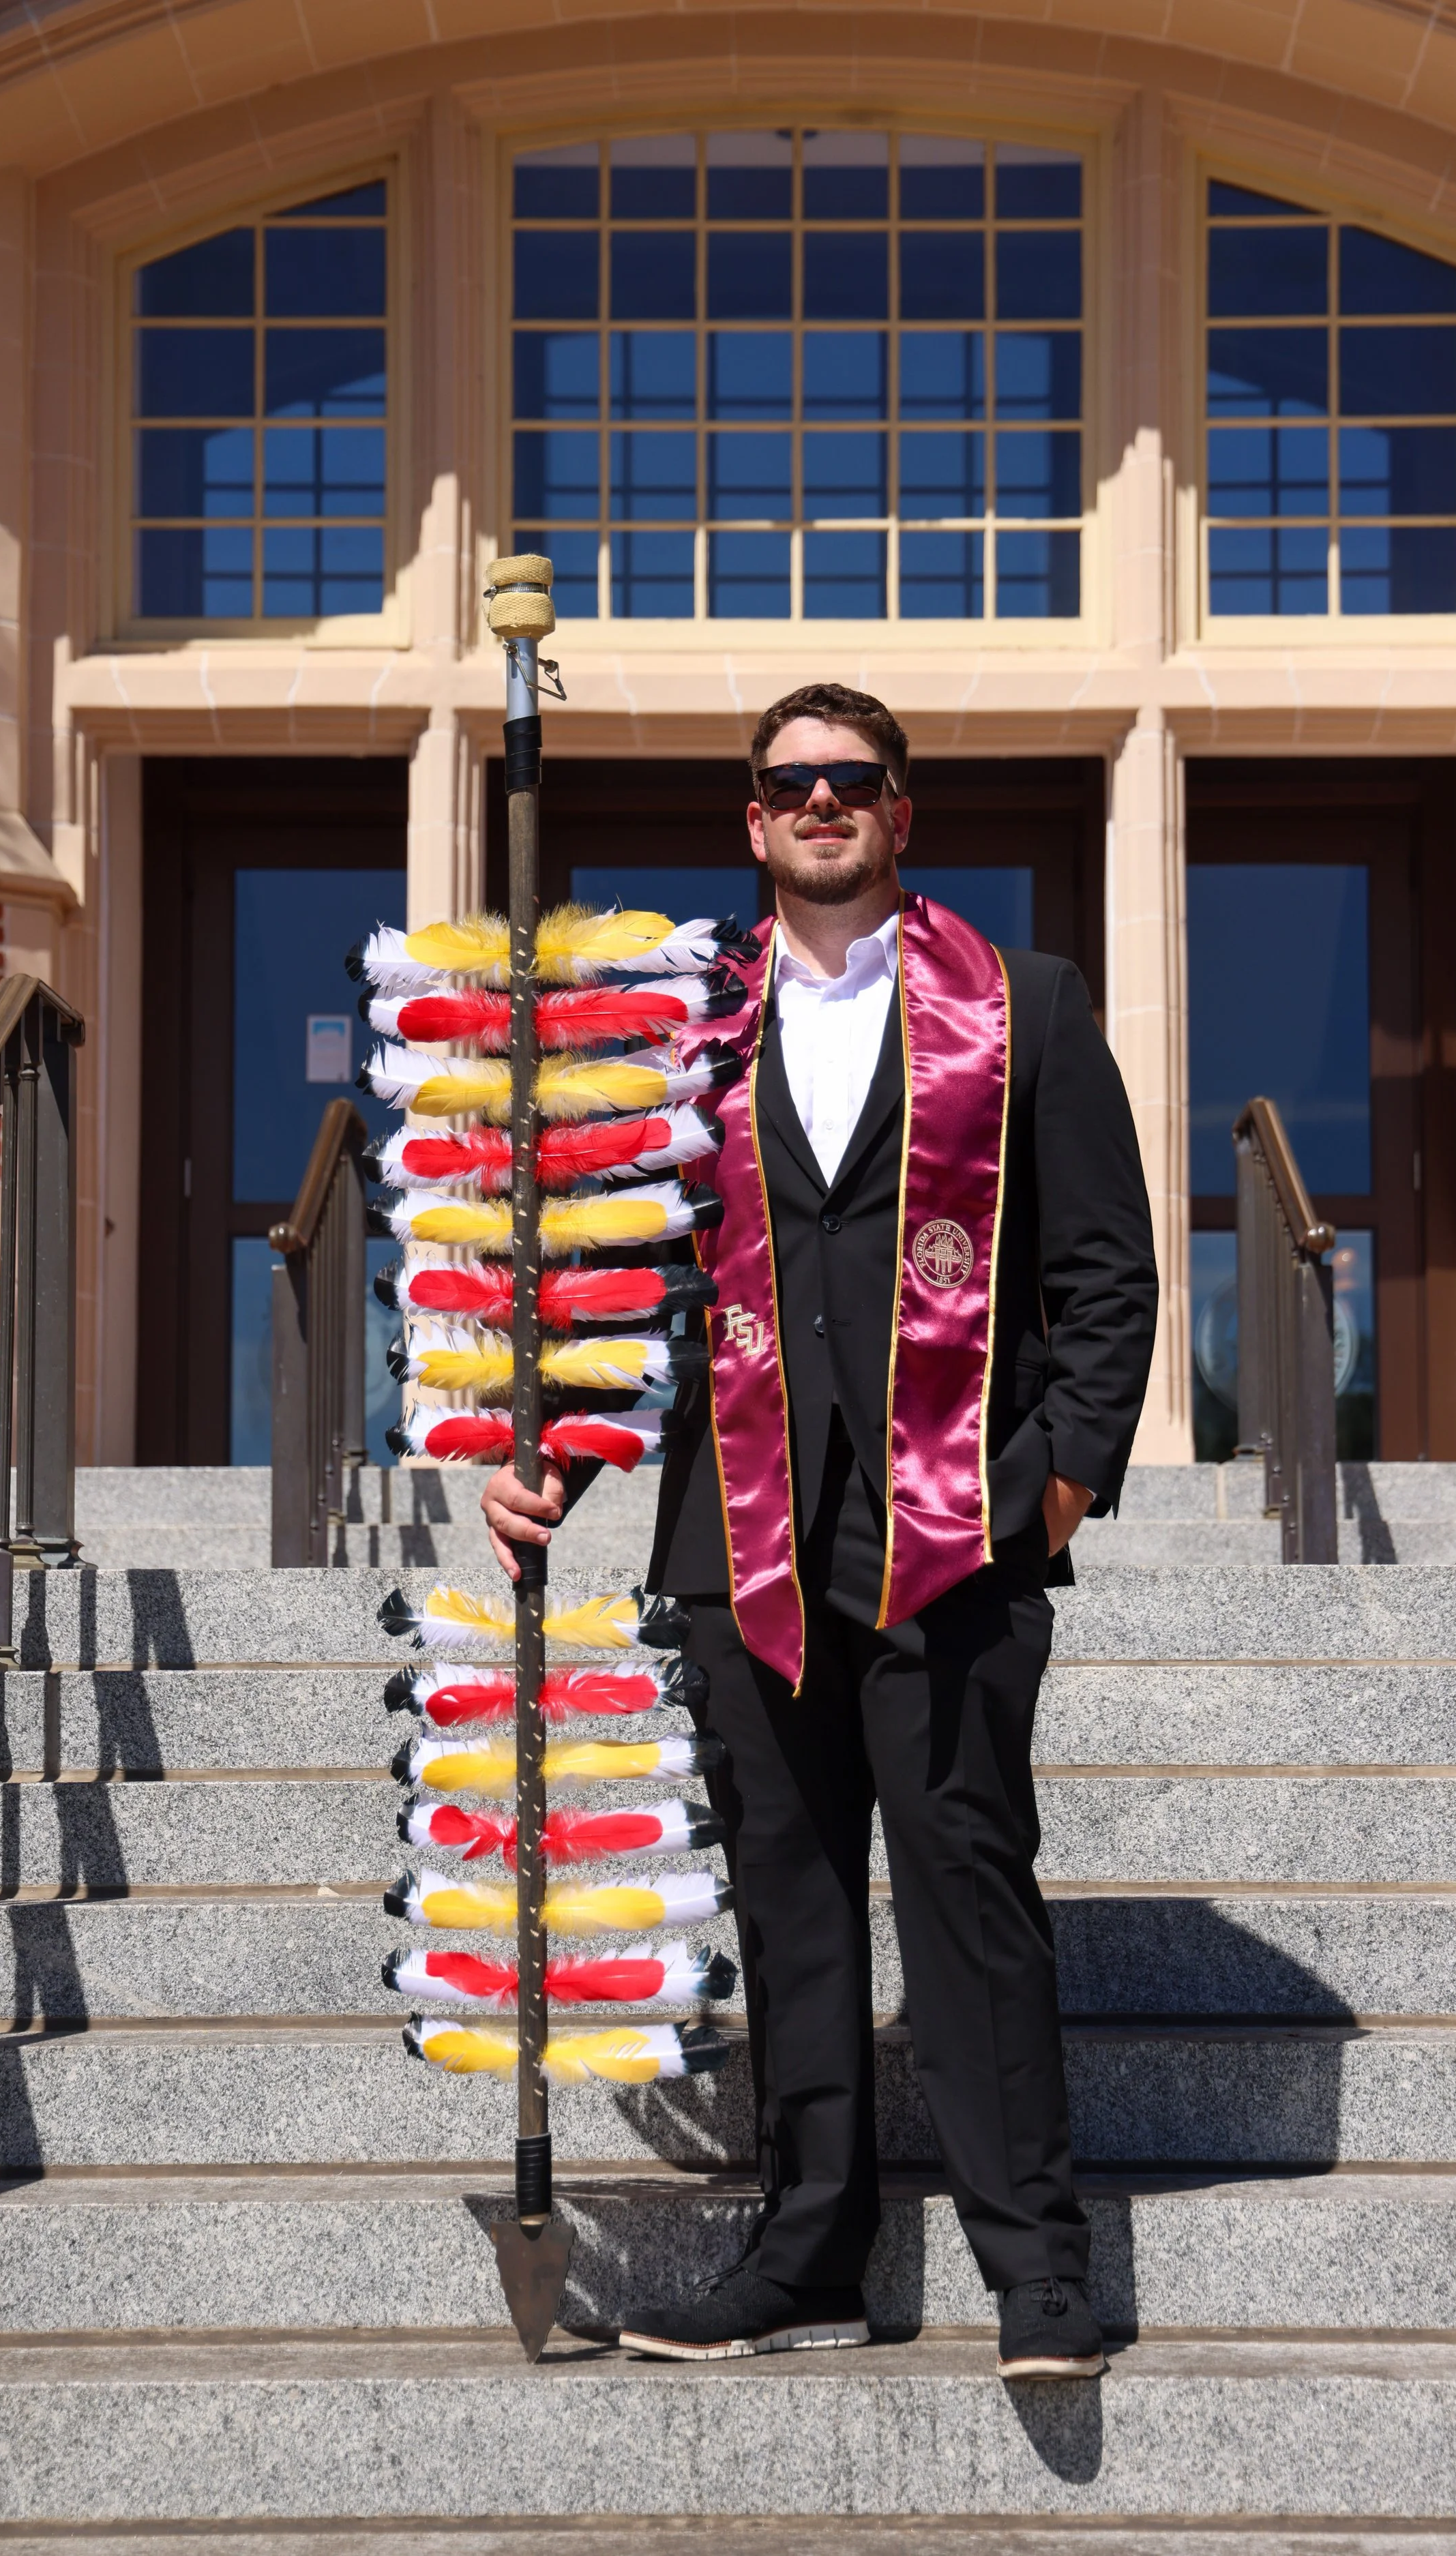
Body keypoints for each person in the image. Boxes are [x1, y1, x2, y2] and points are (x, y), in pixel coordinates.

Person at [482, 683, 1158, 2379]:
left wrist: (1053, 1483)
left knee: (966, 1892)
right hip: (739, 1536)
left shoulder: (1026, 1007)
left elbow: (1103, 1274)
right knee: (789, 1907)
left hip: (956, 1534)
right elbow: (620, 1283)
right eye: (790, 783)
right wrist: (548, 1467)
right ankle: (805, 2251)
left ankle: (1038, 2266)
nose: (821, 802)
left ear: (901, 809)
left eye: (853, 779)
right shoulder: (677, 1031)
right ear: (752, 820)